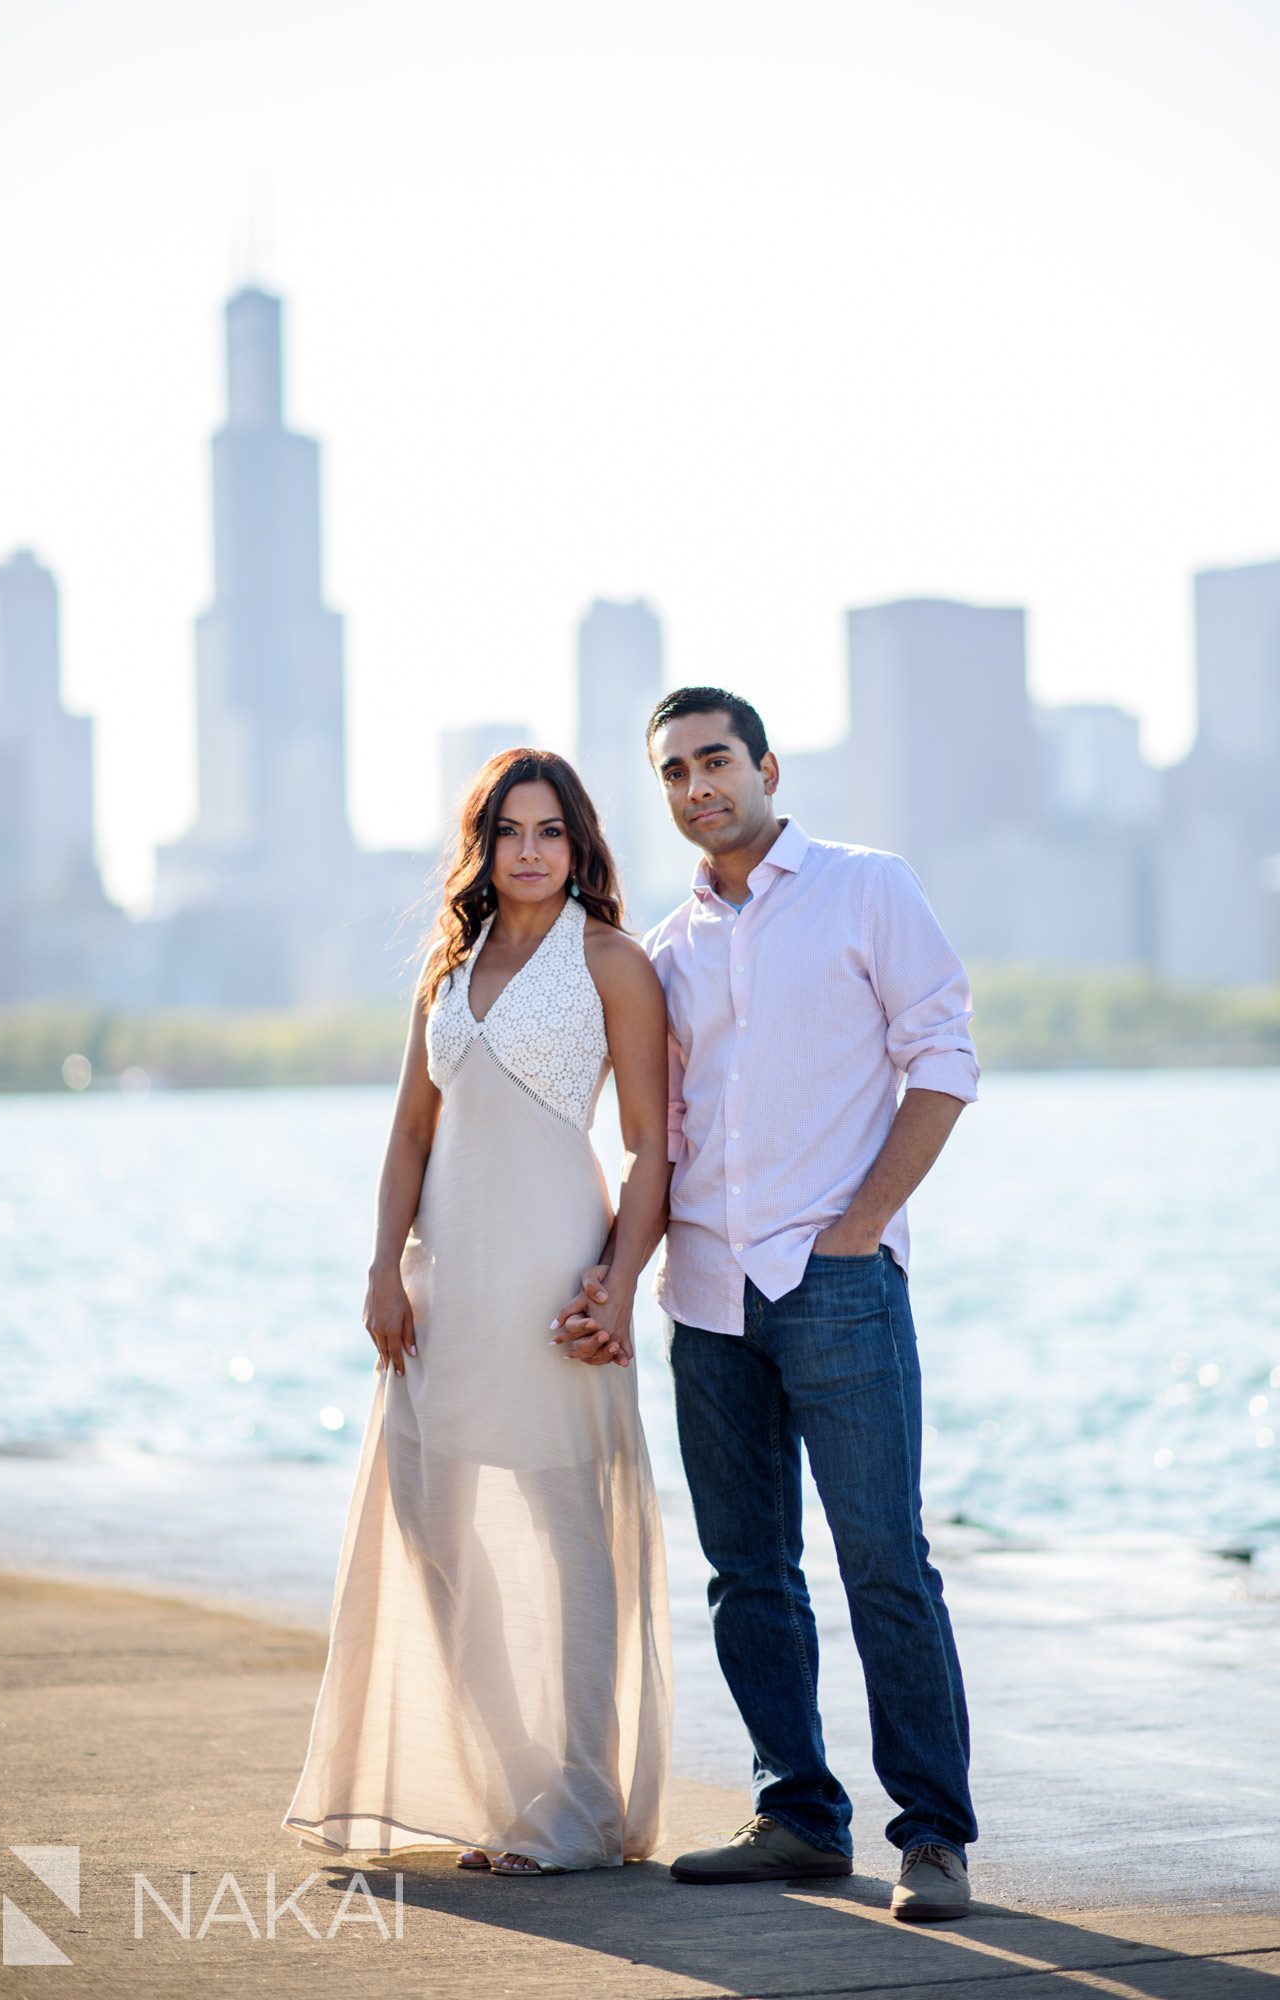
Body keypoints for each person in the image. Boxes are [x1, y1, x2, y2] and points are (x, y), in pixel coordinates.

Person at [552, 687, 980, 1920]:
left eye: (716, 759)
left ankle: (935, 1837)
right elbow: (658, 1133)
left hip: (837, 1286)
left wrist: (860, 1230)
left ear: (766, 765)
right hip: (706, 1295)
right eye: (676, 771)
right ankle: (796, 1814)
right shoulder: (669, 946)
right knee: (748, 1571)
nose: (699, 785)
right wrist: (624, 1278)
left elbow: (944, 1056)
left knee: (885, 1561)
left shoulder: (866, 886)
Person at [282, 749, 673, 1876]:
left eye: (552, 830)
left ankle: (580, 1808)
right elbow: (411, 1132)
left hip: (556, 1279)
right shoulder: (445, 970)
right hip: (441, 1281)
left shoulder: (612, 961)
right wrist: (379, 1268)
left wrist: (617, 1281)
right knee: (432, 1518)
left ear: (580, 843)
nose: (532, 850)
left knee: (568, 1532)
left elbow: (650, 1143)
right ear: (483, 845)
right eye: (511, 830)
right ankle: (515, 1779)